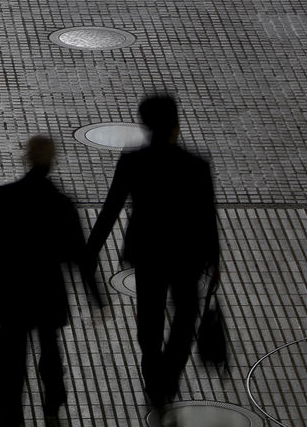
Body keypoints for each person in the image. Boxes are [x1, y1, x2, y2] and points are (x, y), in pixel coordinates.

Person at [84, 95, 220, 408]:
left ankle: (153, 372)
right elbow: (205, 215)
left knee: (150, 320)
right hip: (186, 256)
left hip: (148, 253)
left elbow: (112, 207)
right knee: (185, 318)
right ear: (175, 125)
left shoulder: (133, 160)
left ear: (145, 125)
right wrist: (214, 259)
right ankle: (168, 375)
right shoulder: (196, 165)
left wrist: (91, 250)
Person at [0, 136, 90, 425]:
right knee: (49, 342)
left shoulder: (2, 198)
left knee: (11, 362)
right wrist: (96, 294)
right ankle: (53, 394)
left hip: (12, 294)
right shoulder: (61, 203)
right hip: (47, 291)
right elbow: (77, 252)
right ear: (51, 162)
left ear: (27, 158)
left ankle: (11, 416)